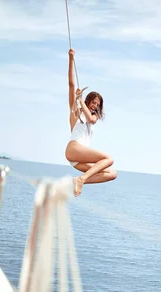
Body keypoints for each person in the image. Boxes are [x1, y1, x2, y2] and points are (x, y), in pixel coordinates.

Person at [65, 48, 117, 197]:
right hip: (74, 149)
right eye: (93, 102)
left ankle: (78, 180)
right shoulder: (76, 110)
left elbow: (91, 119)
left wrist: (82, 101)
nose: (95, 106)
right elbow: (71, 85)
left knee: (112, 173)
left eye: (97, 105)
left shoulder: (93, 118)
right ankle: (81, 179)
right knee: (109, 159)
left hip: (77, 159)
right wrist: (71, 59)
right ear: (88, 101)